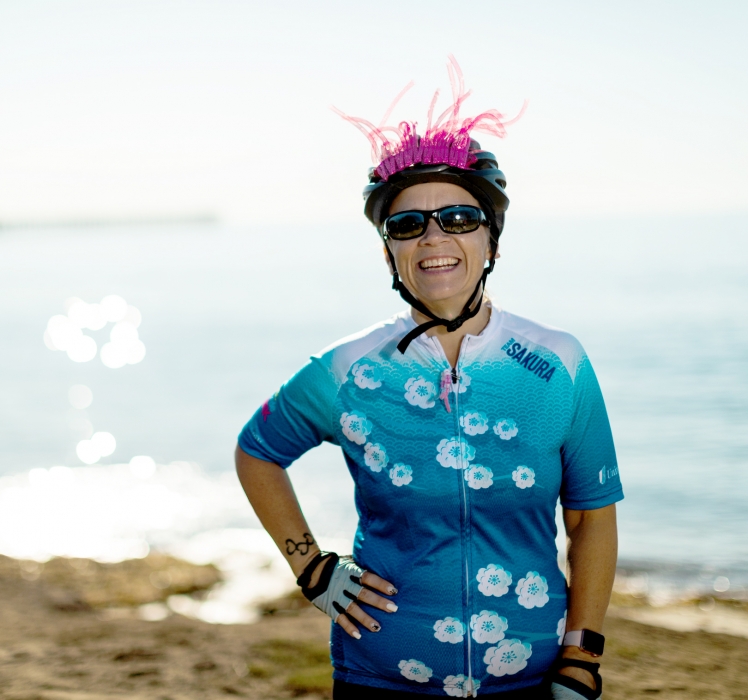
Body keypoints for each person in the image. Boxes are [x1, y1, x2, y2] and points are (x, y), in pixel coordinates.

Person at [236, 59, 622, 699]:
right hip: (379, 678)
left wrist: (582, 657)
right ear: (388, 250)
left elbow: (591, 520)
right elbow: (257, 452)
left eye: (460, 219)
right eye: (408, 223)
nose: (434, 237)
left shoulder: (559, 364)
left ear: (492, 241)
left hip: (526, 682)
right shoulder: (347, 370)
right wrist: (312, 568)